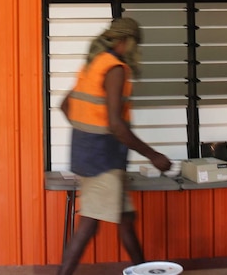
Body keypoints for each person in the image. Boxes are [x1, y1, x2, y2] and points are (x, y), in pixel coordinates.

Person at [57, 17, 171, 275]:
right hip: (103, 161)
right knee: (88, 225)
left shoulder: (94, 64)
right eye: (136, 44)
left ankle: (144, 271)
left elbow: (65, 106)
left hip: (90, 156)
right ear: (125, 41)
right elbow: (117, 126)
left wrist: (86, 134)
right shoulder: (116, 69)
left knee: (126, 221)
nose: (137, 51)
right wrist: (153, 155)